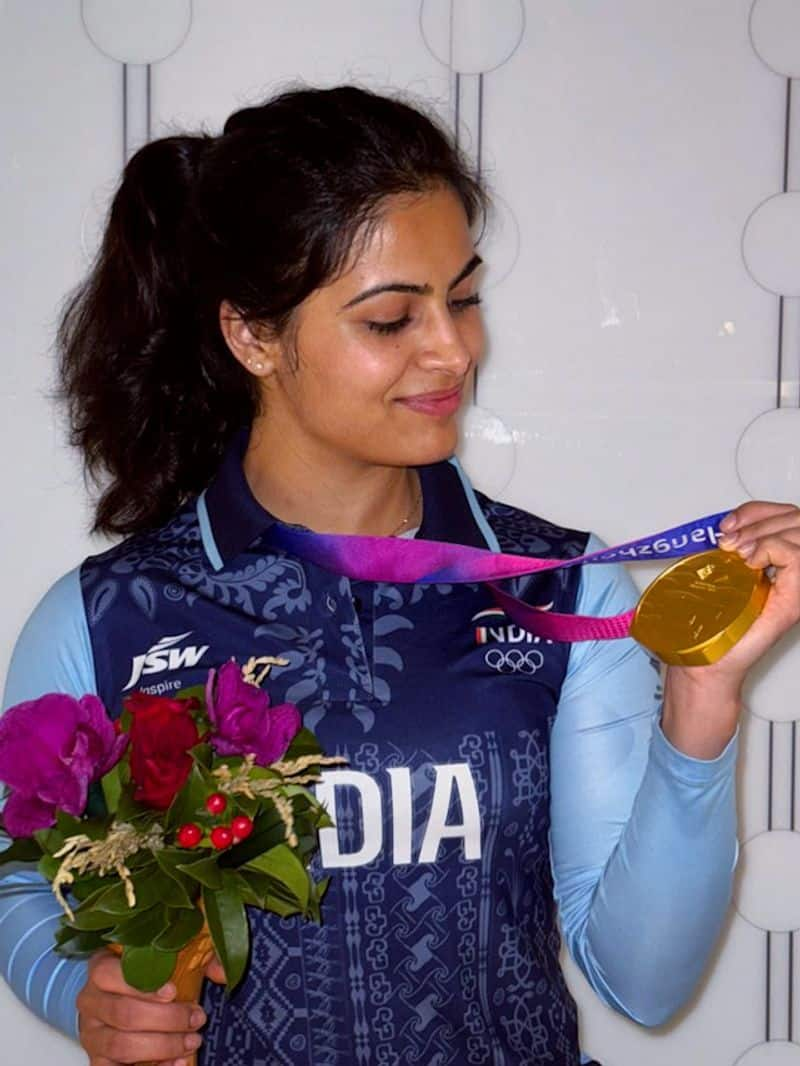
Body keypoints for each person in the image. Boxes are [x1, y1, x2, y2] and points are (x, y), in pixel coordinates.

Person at [1, 84, 799, 1066]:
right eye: (391, 319)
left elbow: (643, 980)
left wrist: (701, 701)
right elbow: (19, 881)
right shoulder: (102, 620)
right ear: (251, 335)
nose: (453, 348)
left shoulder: (561, 594)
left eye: (461, 297)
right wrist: (78, 984)